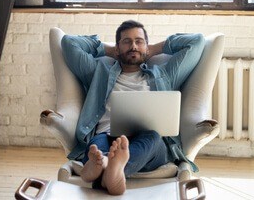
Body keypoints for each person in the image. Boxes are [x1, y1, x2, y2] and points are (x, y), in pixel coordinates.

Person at [61, 20, 205, 195]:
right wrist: (108, 50)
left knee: (152, 137)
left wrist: (156, 48)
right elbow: (68, 43)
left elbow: (196, 42)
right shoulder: (98, 73)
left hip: (150, 143)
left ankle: (106, 167)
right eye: (127, 42)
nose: (133, 46)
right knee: (95, 148)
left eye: (139, 41)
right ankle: (109, 169)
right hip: (107, 135)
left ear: (147, 46)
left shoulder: (165, 75)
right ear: (117, 47)